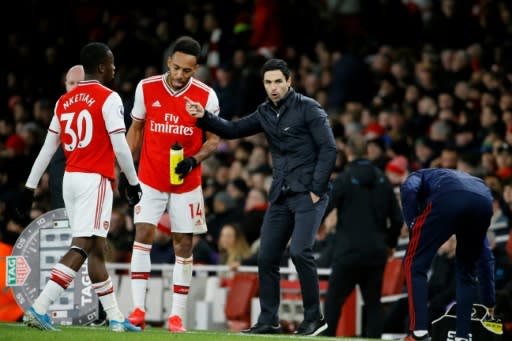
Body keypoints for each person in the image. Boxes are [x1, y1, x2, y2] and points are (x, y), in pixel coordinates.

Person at [185, 58, 337, 336]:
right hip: (281, 195)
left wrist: (316, 189)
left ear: (289, 81)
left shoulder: (309, 108)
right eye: (268, 82)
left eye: (278, 81)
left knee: (300, 251)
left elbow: (329, 149)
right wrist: (203, 116)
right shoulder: (265, 112)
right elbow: (233, 130)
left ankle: (315, 318)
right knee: (266, 256)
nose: (274, 87)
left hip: (309, 194)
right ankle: (269, 320)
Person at [19, 42, 142, 332]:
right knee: (83, 246)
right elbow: (120, 145)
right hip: (94, 179)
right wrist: (133, 181)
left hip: (71, 180)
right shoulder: (109, 98)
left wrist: (29, 187)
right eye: (111, 63)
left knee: (96, 249)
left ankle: (115, 318)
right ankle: (39, 308)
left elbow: (48, 149)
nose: (114, 68)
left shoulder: (65, 101)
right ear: (101, 66)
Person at [124, 36, 221, 333]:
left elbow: (214, 139)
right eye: (176, 68)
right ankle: (138, 310)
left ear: (197, 69)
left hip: (186, 182)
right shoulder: (147, 87)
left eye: (187, 71)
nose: (180, 75)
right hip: (150, 178)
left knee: (184, 243)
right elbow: (136, 129)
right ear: (169, 62)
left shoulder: (207, 97)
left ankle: (176, 317)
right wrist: (127, 174)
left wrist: (194, 159)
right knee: (142, 234)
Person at [400, 168, 496, 341]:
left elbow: (409, 187)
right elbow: (486, 256)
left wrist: (412, 224)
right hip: (483, 200)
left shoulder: (418, 176)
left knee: (413, 263)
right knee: (466, 272)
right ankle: (462, 336)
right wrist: (489, 301)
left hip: (448, 198)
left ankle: (418, 333)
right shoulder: (464, 181)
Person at [322, 134, 403, 338]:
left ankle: (327, 337)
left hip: (348, 252)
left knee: (333, 303)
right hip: (376, 252)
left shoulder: (344, 179)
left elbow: (323, 208)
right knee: (373, 304)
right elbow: (397, 219)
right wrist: (390, 244)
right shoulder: (383, 180)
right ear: (367, 152)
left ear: (348, 153)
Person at [48, 64, 85, 210]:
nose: (75, 87)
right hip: (65, 161)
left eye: (79, 83)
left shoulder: (104, 103)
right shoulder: (61, 105)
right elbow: (48, 148)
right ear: (65, 84)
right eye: (71, 83)